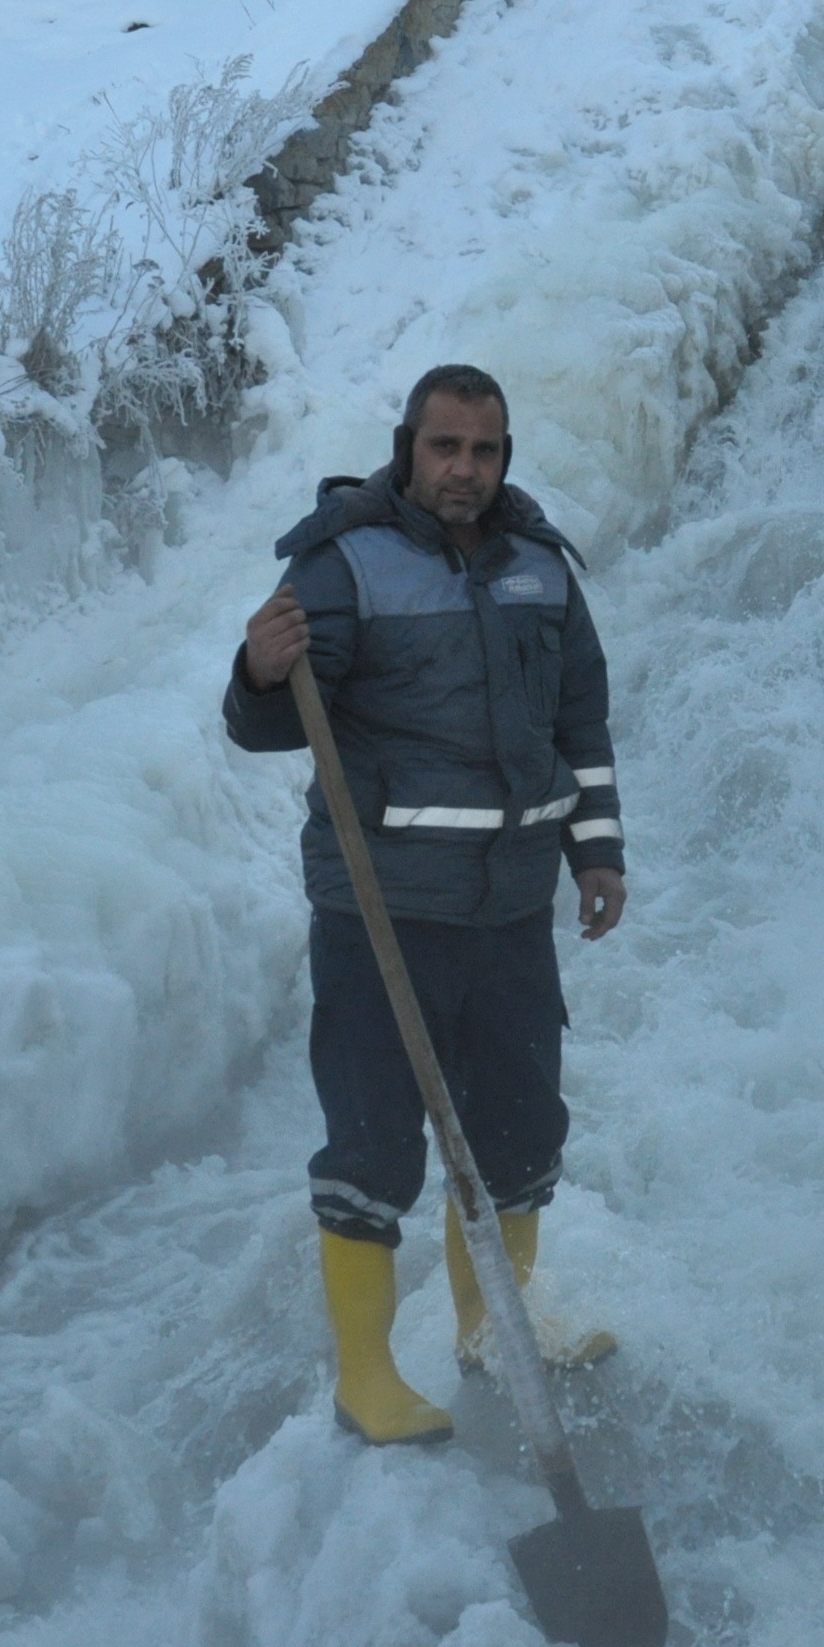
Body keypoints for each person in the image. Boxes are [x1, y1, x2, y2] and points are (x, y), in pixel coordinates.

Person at [224, 363, 626, 1447]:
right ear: (409, 448)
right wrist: (258, 673)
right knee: (374, 1146)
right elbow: (271, 722)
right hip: (382, 908)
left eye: (485, 450)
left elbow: (581, 723)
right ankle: (365, 1377)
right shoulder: (345, 563)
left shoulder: (541, 569)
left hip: (511, 906)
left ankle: (495, 1326)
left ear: (505, 456)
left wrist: (596, 853)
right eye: (445, 447)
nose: (465, 469)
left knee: (520, 1131)